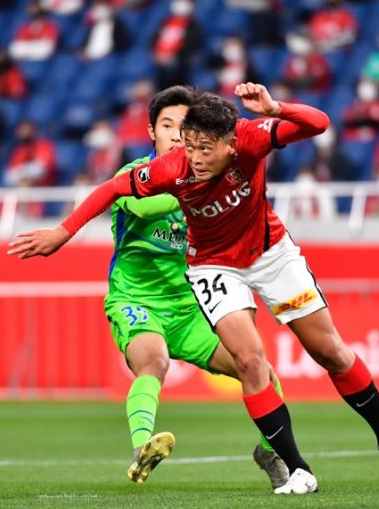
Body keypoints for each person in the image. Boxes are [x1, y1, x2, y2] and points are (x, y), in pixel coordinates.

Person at [8, 83, 379, 495]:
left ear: (231, 144)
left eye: (202, 148)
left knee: (331, 353)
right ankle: (298, 470)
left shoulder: (252, 139)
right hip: (213, 267)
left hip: (271, 254)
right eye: (186, 143)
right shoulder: (170, 168)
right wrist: (63, 233)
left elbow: (318, 122)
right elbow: (113, 188)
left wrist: (275, 108)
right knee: (249, 363)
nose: (192, 156)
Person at [75, 85, 291, 490]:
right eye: (167, 125)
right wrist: (205, 181)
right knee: (153, 361)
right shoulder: (134, 177)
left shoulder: (211, 172)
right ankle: (142, 448)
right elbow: (143, 204)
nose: (176, 134)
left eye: (184, 126)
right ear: (151, 131)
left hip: (191, 310)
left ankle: (269, 451)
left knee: (260, 371)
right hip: (137, 300)